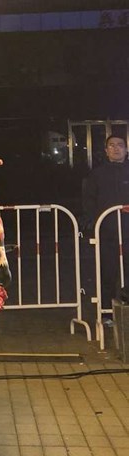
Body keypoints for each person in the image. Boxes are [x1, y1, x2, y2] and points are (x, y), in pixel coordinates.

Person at [81, 134, 129, 323]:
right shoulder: (97, 174)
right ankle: (107, 312)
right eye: (112, 145)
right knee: (107, 273)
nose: (116, 148)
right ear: (106, 150)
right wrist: (93, 222)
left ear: (126, 149)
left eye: (120, 145)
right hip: (107, 231)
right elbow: (89, 200)